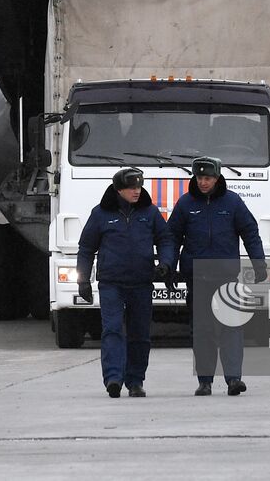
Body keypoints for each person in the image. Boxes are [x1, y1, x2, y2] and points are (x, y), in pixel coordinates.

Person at [168, 156, 267, 397]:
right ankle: (205, 381)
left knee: (231, 327)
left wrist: (259, 263)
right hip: (198, 278)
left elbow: (250, 232)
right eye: (200, 178)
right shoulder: (185, 204)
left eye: (208, 178)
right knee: (203, 331)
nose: (203, 182)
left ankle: (234, 379)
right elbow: (171, 238)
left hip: (226, 277)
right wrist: (169, 267)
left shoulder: (232, 202)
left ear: (217, 178)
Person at [76, 167, 177, 399]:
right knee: (112, 330)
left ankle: (135, 381)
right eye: (132, 187)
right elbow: (86, 248)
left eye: (139, 187)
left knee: (140, 334)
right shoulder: (100, 214)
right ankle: (113, 378)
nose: (136, 191)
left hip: (141, 283)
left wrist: (166, 263)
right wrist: (83, 279)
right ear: (118, 189)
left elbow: (166, 239)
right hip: (111, 284)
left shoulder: (150, 213)